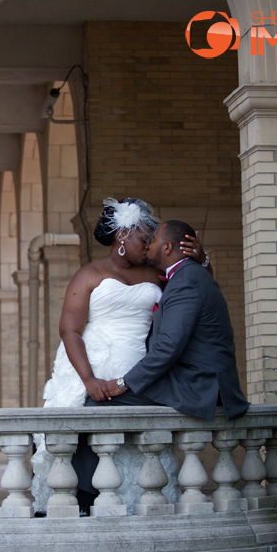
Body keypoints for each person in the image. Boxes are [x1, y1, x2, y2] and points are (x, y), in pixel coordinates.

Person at [30, 198, 206, 514]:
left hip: (140, 365)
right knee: (83, 423)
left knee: (138, 439)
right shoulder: (89, 274)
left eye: (153, 240)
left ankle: (139, 499)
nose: (149, 245)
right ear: (123, 235)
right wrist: (88, 378)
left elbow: (192, 295)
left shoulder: (156, 275)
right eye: (145, 238)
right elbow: (70, 330)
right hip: (92, 364)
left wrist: (201, 262)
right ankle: (82, 498)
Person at [70, 219, 250, 513]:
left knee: (95, 405)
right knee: (91, 401)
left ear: (166, 247)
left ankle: (85, 498)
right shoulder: (184, 276)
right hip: (188, 375)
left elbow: (168, 348)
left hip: (197, 383)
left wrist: (122, 383)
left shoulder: (186, 281)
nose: (149, 245)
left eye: (153, 241)